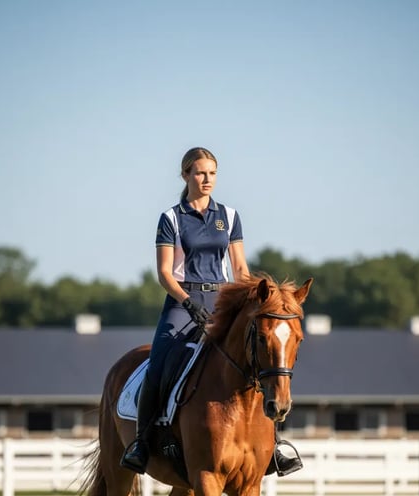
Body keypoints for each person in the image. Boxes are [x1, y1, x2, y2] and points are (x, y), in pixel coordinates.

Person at [121, 147, 302, 477]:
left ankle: (274, 445)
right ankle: (142, 443)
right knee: (159, 364)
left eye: (213, 174)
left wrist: (249, 302)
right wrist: (187, 302)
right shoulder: (171, 218)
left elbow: (240, 266)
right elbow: (164, 272)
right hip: (182, 301)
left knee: (256, 360)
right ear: (186, 175)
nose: (207, 180)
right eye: (200, 173)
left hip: (223, 300)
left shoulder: (229, 216)